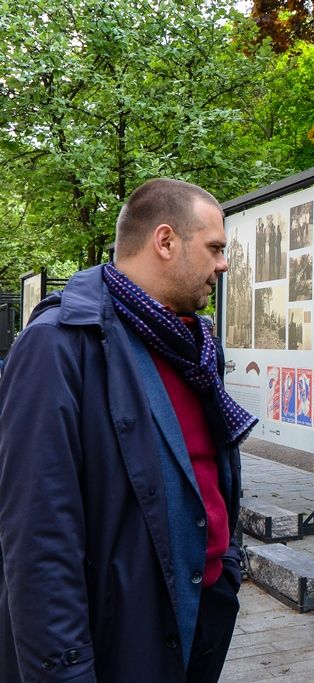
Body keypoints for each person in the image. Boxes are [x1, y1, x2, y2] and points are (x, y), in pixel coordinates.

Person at [0, 178, 253, 682]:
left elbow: (211, 471)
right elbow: (38, 538)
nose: (223, 265)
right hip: (123, 632)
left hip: (205, 610)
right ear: (165, 241)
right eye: (215, 248)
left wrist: (228, 563)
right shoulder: (58, 347)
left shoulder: (197, 346)